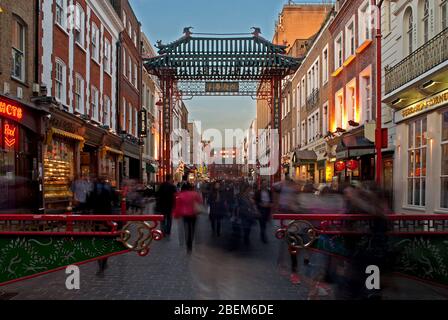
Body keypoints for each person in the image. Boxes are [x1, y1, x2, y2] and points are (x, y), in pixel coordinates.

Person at [172, 183, 203, 253]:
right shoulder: (194, 194)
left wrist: (176, 215)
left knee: (187, 229)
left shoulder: (180, 195)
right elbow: (200, 201)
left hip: (185, 214)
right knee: (192, 228)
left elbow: (177, 206)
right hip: (194, 213)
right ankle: (191, 240)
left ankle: (188, 244)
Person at [254, 179, 273, 243]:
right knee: (262, 223)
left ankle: (262, 234)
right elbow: (255, 201)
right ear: (261, 184)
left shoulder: (269, 191)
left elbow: (271, 200)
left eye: (266, 183)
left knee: (265, 223)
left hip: (267, 209)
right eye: (264, 183)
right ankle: (263, 236)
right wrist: (260, 204)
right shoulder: (258, 192)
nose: (265, 185)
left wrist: (270, 204)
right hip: (261, 209)